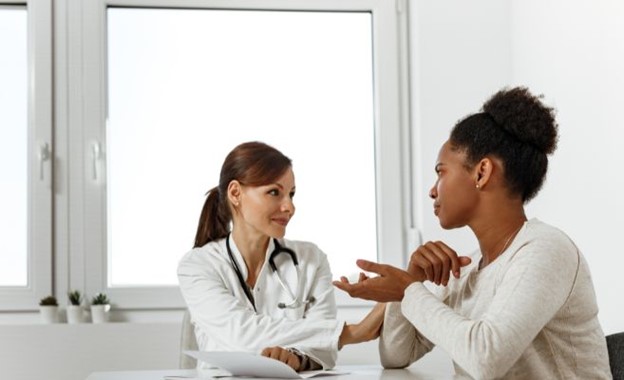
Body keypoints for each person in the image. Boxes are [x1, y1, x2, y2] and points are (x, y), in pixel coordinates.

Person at [333, 87, 612, 379]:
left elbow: (486, 357)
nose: (432, 190)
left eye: (441, 172)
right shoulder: (467, 270)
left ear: (481, 173)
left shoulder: (546, 250)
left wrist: (408, 290)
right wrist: (412, 282)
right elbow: (396, 354)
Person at [178, 141, 384, 372]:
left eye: (292, 194)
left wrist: (296, 358)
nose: (289, 207)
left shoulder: (311, 260)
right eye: (274, 192)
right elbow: (241, 334)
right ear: (235, 193)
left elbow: (325, 352)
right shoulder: (197, 265)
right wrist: (351, 333)